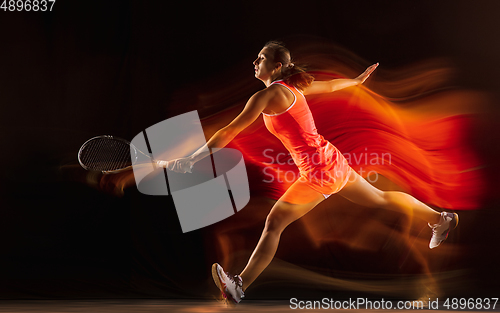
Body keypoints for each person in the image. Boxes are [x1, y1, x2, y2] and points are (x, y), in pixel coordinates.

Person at [158, 41, 459, 304]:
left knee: (274, 223)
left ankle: (239, 286)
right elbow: (328, 87)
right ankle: (440, 217)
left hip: (319, 171)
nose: (254, 62)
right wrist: (354, 82)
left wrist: (195, 157)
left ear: (276, 66)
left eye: (260, 58)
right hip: (330, 160)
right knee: (380, 198)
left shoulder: (268, 96)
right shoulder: (293, 88)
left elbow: (230, 130)